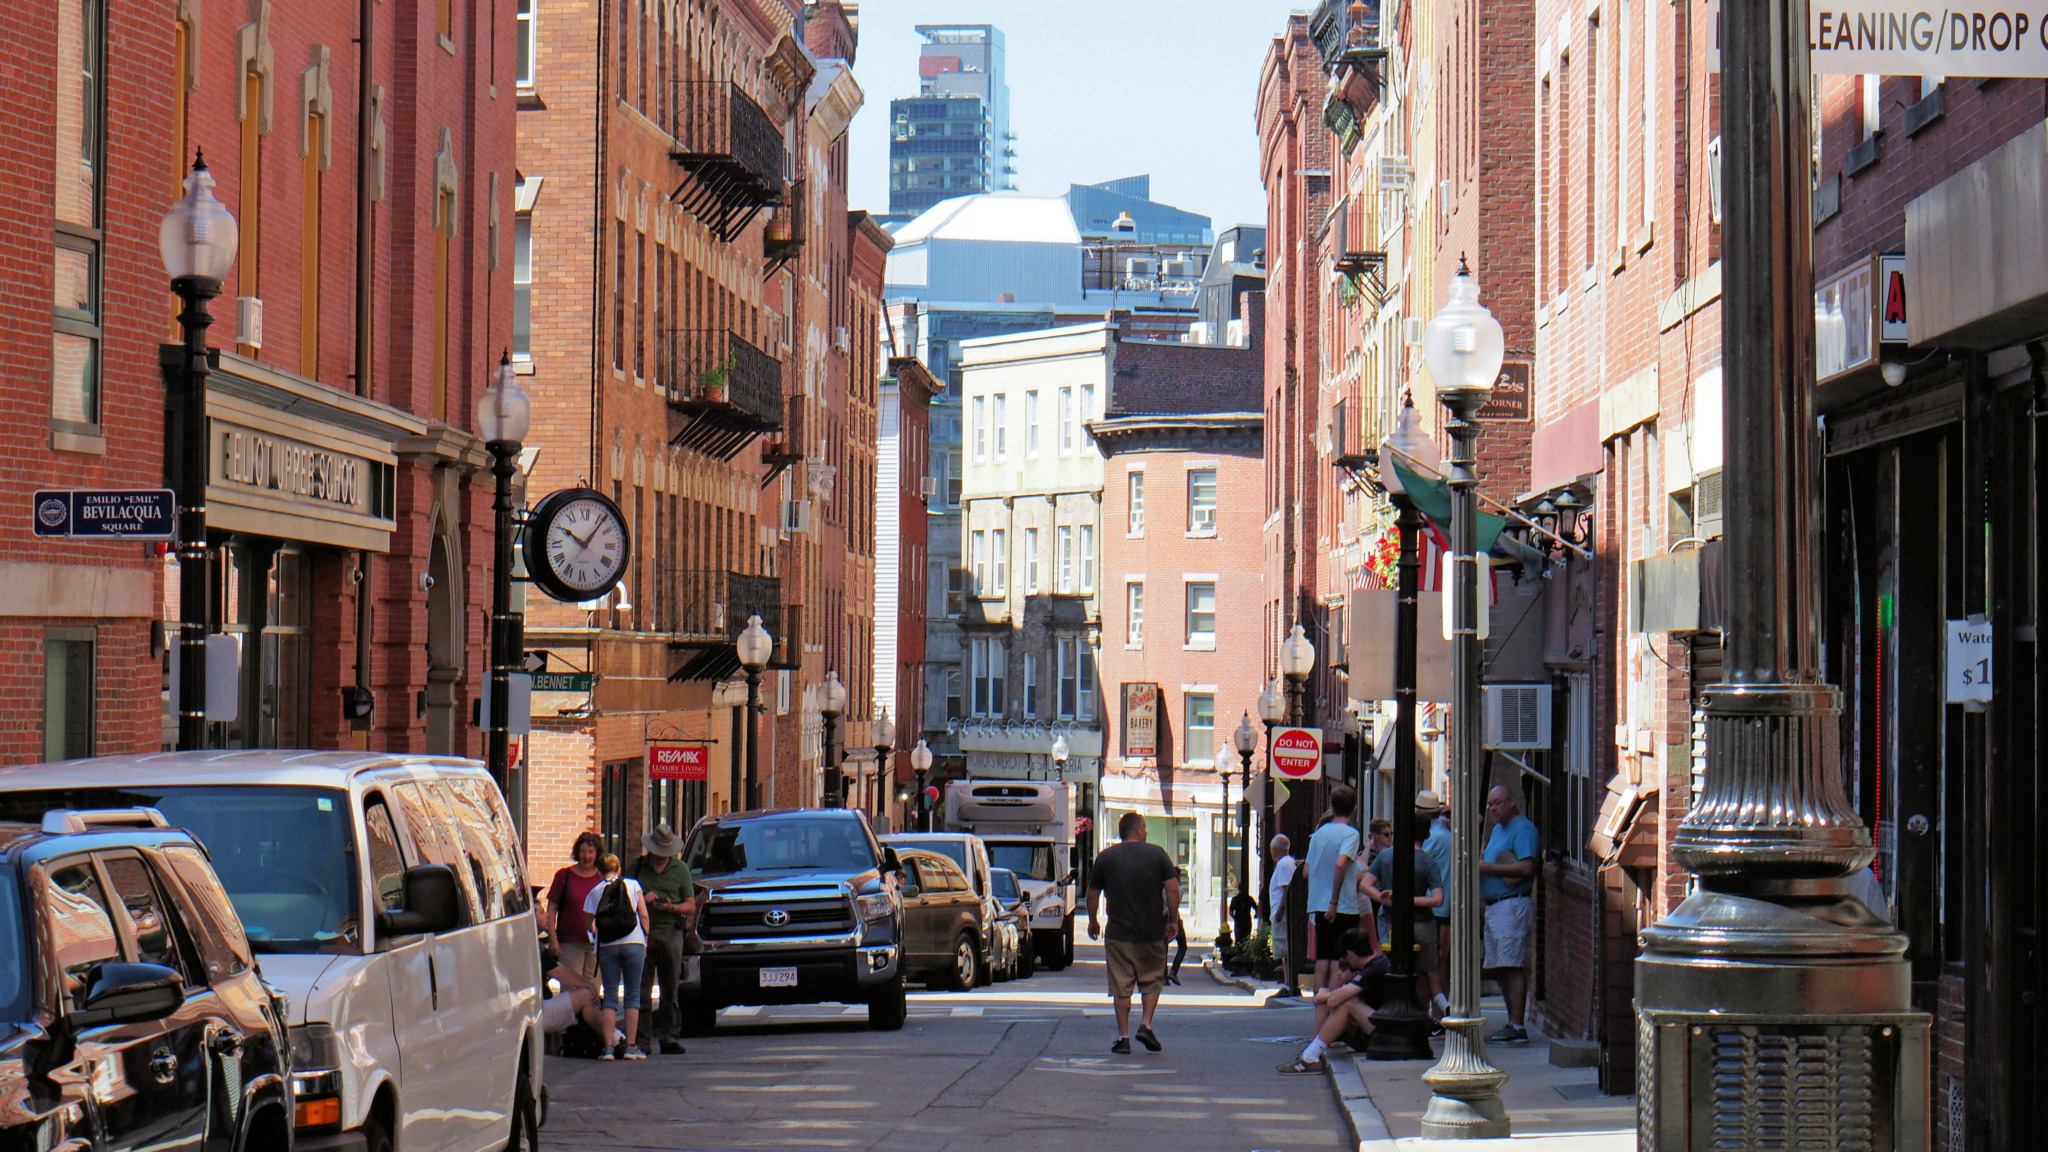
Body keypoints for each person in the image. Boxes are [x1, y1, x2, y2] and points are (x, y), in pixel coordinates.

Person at [1086, 811, 1180, 1054]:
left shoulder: (1105, 858)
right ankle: (1146, 1024)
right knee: (1151, 981)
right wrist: (1172, 919)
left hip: (1118, 933)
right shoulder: (1157, 854)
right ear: (1137, 829)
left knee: (1121, 986)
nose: (1147, 831)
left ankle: (1123, 1036)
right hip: (1150, 932)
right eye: (1145, 827)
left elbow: (1093, 894)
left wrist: (1093, 920)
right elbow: (1172, 889)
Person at [1361, 802, 1446, 1010]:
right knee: (1424, 975)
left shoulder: (1386, 856)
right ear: (1426, 836)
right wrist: (1410, 899)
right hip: (1423, 925)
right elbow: (1438, 899)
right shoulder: (1428, 862)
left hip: (1391, 924)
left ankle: (1392, 1010)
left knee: (1392, 972)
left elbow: (1364, 884)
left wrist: (1385, 899)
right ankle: (1422, 1017)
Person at [1276, 927, 1387, 1074]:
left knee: (1347, 1002)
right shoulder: (1373, 966)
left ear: (1350, 953)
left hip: (1384, 1034)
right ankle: (1310, 1054)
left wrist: (1325, 995)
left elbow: (1335, 1001)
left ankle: (1309, 1057)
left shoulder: (1373, 969)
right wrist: (1326, 996)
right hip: (1374, 1026)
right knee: (1330, 1000)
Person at [1478, 786, 1539, 1043]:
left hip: (1512, 904)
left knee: (1512, 964)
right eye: (1491, 804)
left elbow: (1527, 867)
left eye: (1498, 803)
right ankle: (1511, 1022)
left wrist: (1486, 868)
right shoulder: (1497, 830)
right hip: (1494, 906)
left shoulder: (1523, 829)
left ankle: (1517, 1025)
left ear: (1512, 802)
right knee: (1501, 966)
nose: (1493, 808)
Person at [1303, 785, 1364, 1033]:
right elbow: (1341, 864)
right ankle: (1332, 1016)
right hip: (1342, 906)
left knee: (1322, 960)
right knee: (1342, 963)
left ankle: (1320, 1008)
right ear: (1355, 809)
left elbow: (1306, 871)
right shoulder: (1350, 834)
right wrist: (1335, 901)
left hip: (1317, 904)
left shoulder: (1318, 835)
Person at [632, 823, 696, 1055]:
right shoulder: (637, 868)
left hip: (671, 933)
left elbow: (690, 905)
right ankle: (641, 1040)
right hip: (642, 933)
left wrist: (671, 907)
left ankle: (669, 1036)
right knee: (642, 990)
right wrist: (642, 899)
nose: (661, 858)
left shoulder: (680, 870)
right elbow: (624, 896)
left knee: (670, 989)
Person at [582, 853, 651, 1060]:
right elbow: (644, 914)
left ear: (599, 871)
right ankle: (630, 1046)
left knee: (610, 995)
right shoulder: (632, 884)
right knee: (632, 995)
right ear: (619, 869)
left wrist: (597, 933)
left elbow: (587, 922)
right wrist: (645, 938)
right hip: (634, 943)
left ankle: (609, 1047)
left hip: (608, 946)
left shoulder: (594, 892)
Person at [543, 832, 606, 979]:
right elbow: (551, 909)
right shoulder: (564, 876)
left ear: (597, 854)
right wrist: (553, 939)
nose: (586, 856)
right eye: (583, 851)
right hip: (570, 943)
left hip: (596, 945)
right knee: (572, 991)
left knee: (593, 993)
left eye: (591, 852)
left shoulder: (602, 878)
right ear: (577, 852)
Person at [1417, 790, 1453, 1026]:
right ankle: (1439, 1013)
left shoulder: (1433, 839)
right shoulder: (1445, 835)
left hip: (1434, 909)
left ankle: (1437, 1015)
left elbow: (1414, 861)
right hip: (1442, 907)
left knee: (1432, 964)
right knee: (1439, 963)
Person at [1266, 835, 1297, 995]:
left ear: (1274, 849)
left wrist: (1279, 911)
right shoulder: (1289, 862)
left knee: (1285, 950)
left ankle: (1289, 984)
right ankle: (1288, 983)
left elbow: (1286, 889)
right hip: (1282, 913)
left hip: (1282, 914)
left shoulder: (1284, 864)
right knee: (1285, 951)